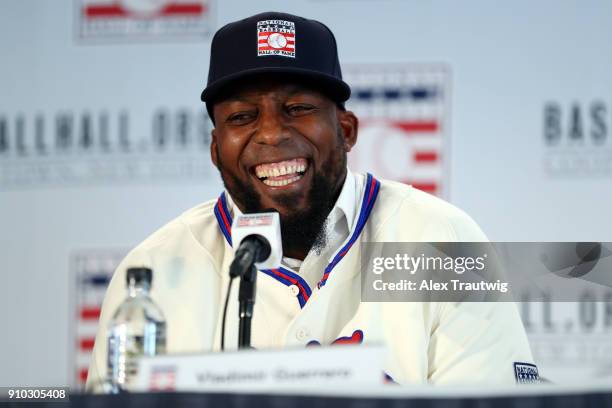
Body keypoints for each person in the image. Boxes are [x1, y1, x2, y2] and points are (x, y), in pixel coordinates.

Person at [86, 11, 537, 389]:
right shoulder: (156, 273)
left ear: (346, 130)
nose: (271, 133)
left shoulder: (439, 240)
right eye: (242, 116)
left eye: (298, 108)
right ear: (214, 148)